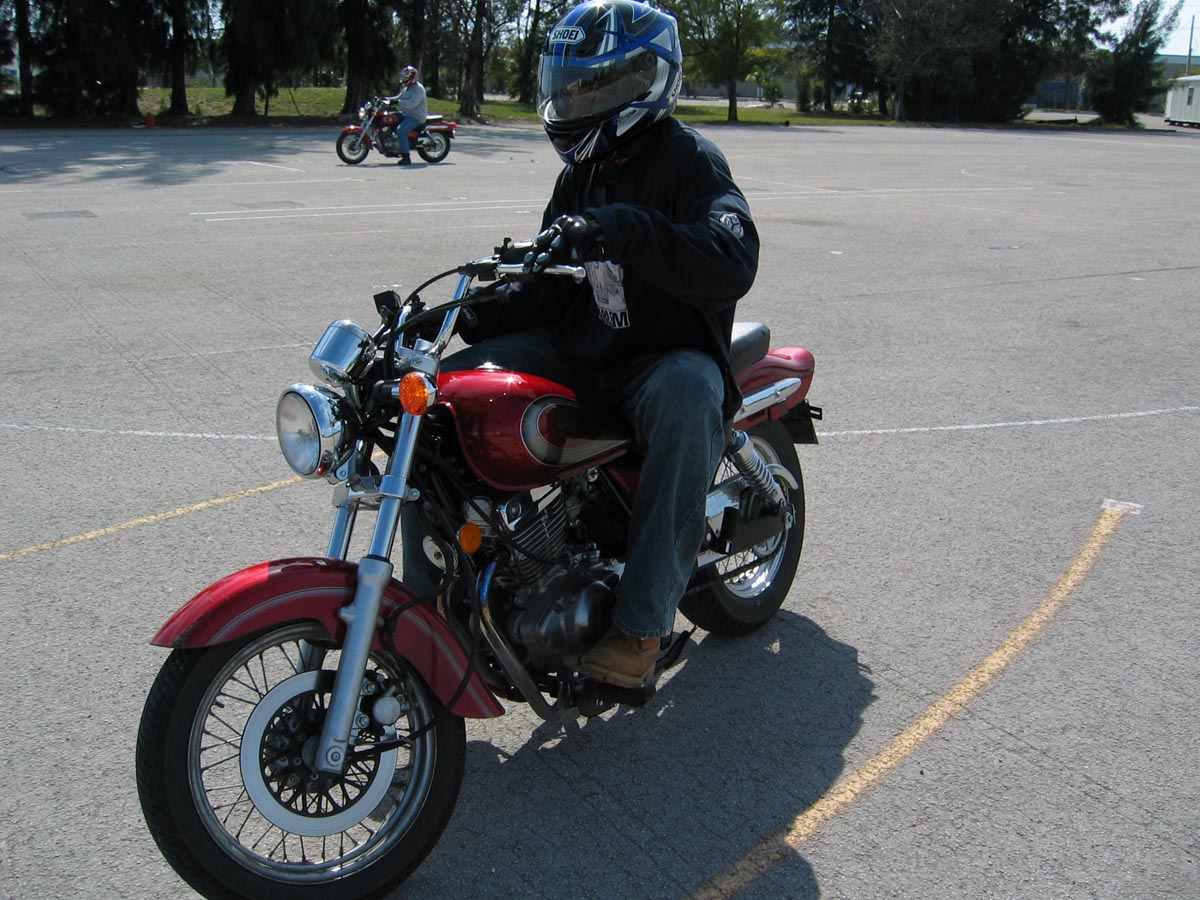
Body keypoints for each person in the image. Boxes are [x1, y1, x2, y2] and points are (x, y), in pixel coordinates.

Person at [408, 0, 759, 688]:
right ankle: (440, 605)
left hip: (663, 358)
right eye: (568, 86)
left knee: (689, 396)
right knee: (442, 399)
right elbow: (550, 289)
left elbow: (733, 255)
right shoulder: (581, 174)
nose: (574, 101)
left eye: (592, 87)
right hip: (587, 349)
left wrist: (624, 230)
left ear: (645, 80)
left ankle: (641, 629)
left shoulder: (689, 161)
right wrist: (460, 316)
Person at [386, 65, 427, 166]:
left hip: (416, 116)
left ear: (412, 78)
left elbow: (412, 103)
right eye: (403, 77)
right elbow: (398, 97)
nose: (403, 79)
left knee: (401, 130)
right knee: (388, 118)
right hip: (405, 114)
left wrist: (398, 102)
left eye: (405, 77)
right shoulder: (406, 88)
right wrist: (385, 99)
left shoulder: (419, 89)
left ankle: (406, 157)